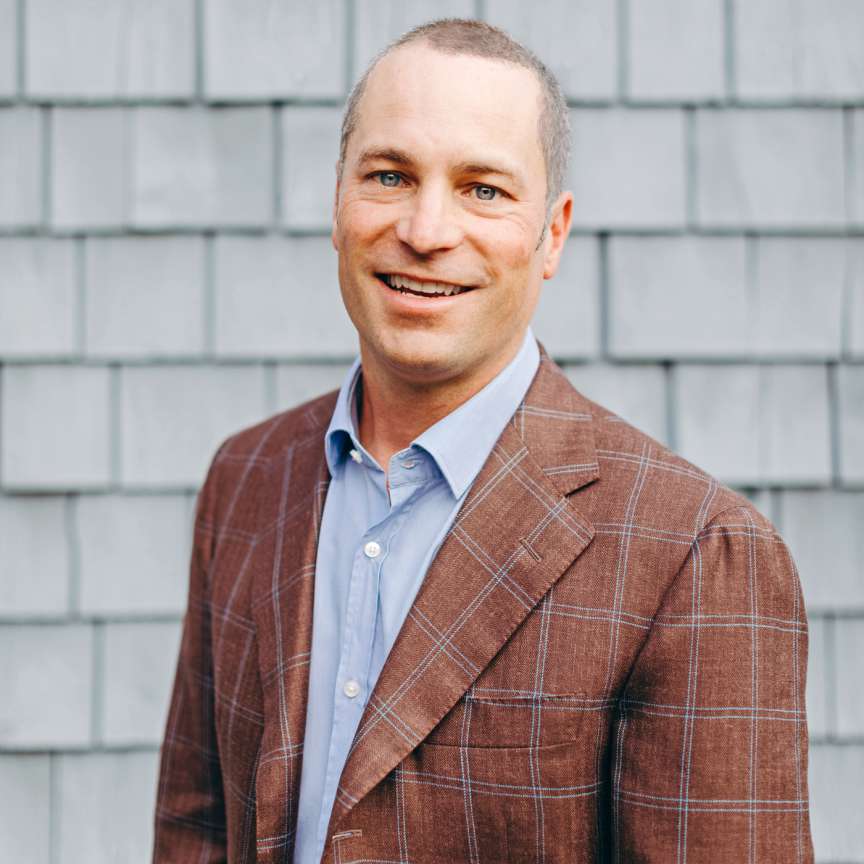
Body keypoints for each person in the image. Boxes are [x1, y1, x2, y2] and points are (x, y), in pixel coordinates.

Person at [153, 18, 813, 864]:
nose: (427, 230)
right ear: (337, 205)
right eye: (390, 176)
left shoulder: (696, 556)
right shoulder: (247, 477)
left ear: (553, 234)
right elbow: (196, 831)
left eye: (484, 190)